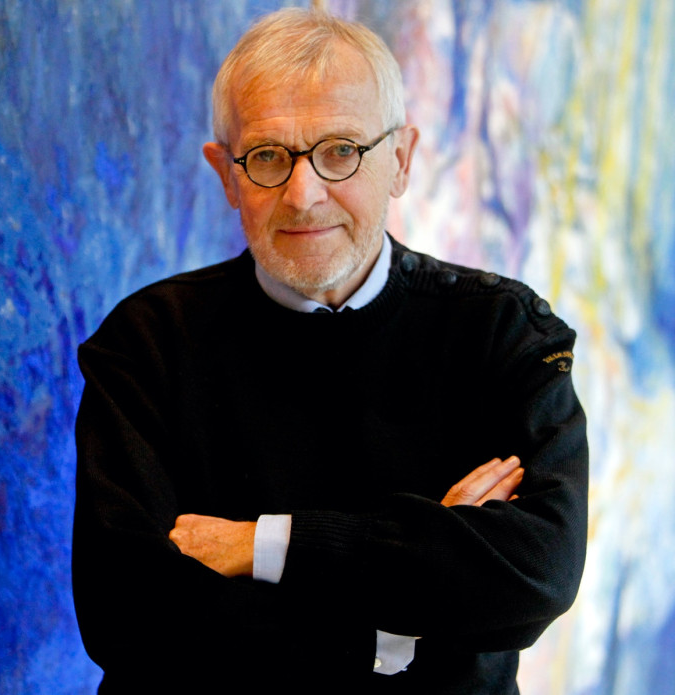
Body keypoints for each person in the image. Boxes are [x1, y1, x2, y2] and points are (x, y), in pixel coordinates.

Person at [72, 8, 587, 693]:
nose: (304, 194)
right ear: (226, 174)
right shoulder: (145, 344)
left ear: (400, 159)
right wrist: (399, 621)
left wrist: (261, 545)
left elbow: (535, 572)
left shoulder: (504, 333)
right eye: (267, 157)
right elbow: (130, 616)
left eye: (341, 150)